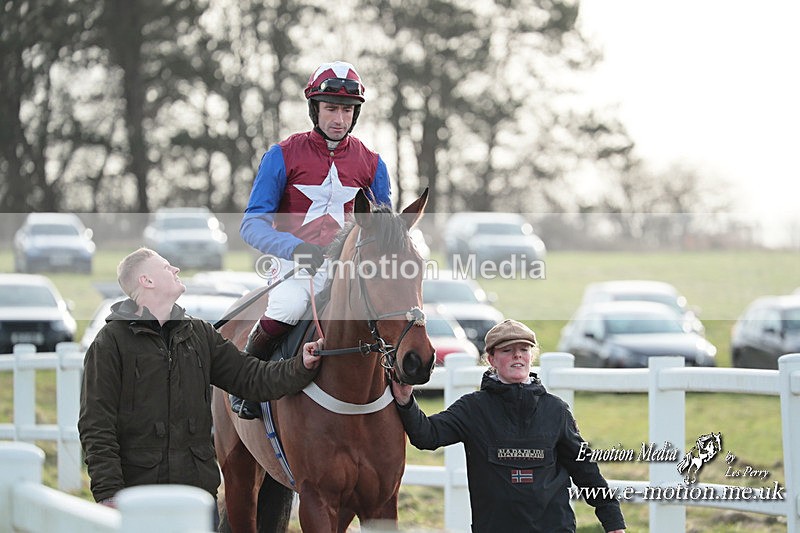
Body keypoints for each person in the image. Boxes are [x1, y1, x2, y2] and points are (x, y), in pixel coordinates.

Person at [78, 248, 321, 520]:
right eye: (166, 266)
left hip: (197, 498)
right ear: (147, 281)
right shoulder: (109, 343)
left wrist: (301, 365)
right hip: (139, 499)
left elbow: (252, 377)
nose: (176, 270)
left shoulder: (200, 335)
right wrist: (109, 494)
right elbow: (96, 425)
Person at [230, 59, 392, 419]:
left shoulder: (372, 163)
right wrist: (295, 248)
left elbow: (385, 229)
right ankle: (246, 383)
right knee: (287, 307)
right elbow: (251, 224)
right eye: (331, 108)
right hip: (296, 262)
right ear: (314, 109)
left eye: (347, 110)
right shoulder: (281, 155)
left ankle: (399, 391)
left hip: (349, 268)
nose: (339, 118)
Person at [389, 319, 626, 533]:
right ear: (491, 359)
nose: (518, 356)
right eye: (507, 350)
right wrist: (405, 401)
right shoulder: (473, 409)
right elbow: (427, 436)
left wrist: (613, 521)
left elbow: (586, 471)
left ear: (531, 356)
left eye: (524, 350)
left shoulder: (556, 411)